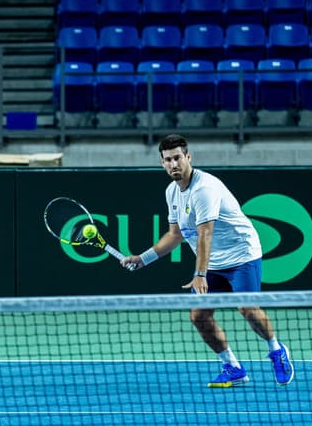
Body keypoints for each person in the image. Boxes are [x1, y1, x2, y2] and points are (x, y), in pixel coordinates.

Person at [121, 134, 294, 388]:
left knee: (247, 308)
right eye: (167, 160)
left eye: (178, 158)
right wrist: (143, 259)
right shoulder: (172, 192)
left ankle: (276, 349)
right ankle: (233, 367)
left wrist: (200, 274)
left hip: (241, 255)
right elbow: (175, 234)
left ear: (188, 157)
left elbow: (205, 233)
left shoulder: (204, 189)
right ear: (162, 163)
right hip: (212, 264)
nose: (173, 164)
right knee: (198, 316)